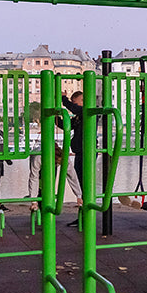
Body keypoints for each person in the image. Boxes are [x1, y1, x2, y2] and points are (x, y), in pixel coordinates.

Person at [61, 90, 88, 225]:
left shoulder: (86, 111)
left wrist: (64, 99)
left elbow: (74, 108)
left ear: (82, 101)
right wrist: (55, 118)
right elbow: (66, 126)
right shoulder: (79, 116)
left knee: (84, 183)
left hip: (86, 152)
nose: (73, 105)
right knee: (81, 183)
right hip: (80, 152)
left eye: (74, 102)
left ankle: (85, 216)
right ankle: (83, 216)